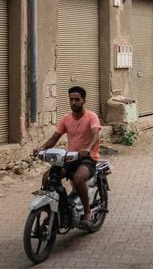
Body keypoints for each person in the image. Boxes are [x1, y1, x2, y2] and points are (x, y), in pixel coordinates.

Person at [32, 86, 101, 229]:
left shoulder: (91, 116)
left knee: (78, 178)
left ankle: (87, 212)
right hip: (70, 158)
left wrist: (88, 149)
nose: (74, 102)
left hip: (88, 158)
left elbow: (95, 134)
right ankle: (59, 209)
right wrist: (41, 149)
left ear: (84, 101)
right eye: (71, 100)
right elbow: (54, 139)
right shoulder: (66, 119)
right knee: (48, 177)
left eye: (77, 99)